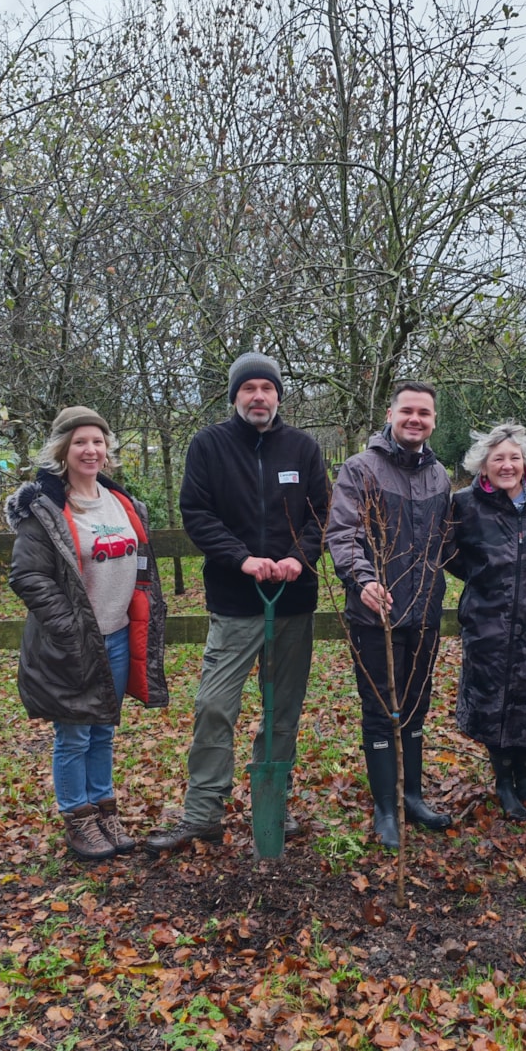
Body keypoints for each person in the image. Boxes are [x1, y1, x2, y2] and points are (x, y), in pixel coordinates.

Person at [146, 353, 330, 854]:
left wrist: (298, 557)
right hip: (235, 600)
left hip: (292, 603)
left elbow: (322, 514)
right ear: (234, 397)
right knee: (214, 705)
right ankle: (203, 812)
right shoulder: (209, 446)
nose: (258, 397)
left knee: (282, 710)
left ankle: (273, 805)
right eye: (248, 388)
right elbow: (196, 512)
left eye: (266, 389)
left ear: (278, 396)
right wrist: (242, 559)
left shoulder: (303, 448)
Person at [7, 406, 169, 862]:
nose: (91, 450)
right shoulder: (44, 510)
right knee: (74, 734)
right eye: (80, 442)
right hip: (72, 643)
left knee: (103, 730)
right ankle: (77, 818)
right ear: (63, 450)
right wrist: (70, 627)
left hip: (118, 636)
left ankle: (104, 808)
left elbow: (140, 567)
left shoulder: (121, 502)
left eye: (98, 441)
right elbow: (27, 576)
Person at [326, 381, 453, 848]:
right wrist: (363, 580)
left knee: (417, 704)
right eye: (408, 411)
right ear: (391, 414)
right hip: (375, 614)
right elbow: (342, 533)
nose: (415, 419)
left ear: (433, 420)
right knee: (382, 709)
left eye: (424, 412)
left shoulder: (440, 475)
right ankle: (386, 806)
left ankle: (413, 796)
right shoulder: (362, 469)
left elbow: (448, 539)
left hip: (425, 613)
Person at [451, 423, 526, 821]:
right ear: (483, 466)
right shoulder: (465, 505)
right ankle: (504, 785)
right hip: (489, 623)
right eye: (497, 458)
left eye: (514, 458)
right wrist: (483, 578)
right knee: (494, 705)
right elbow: (449, 553)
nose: (507, 465)